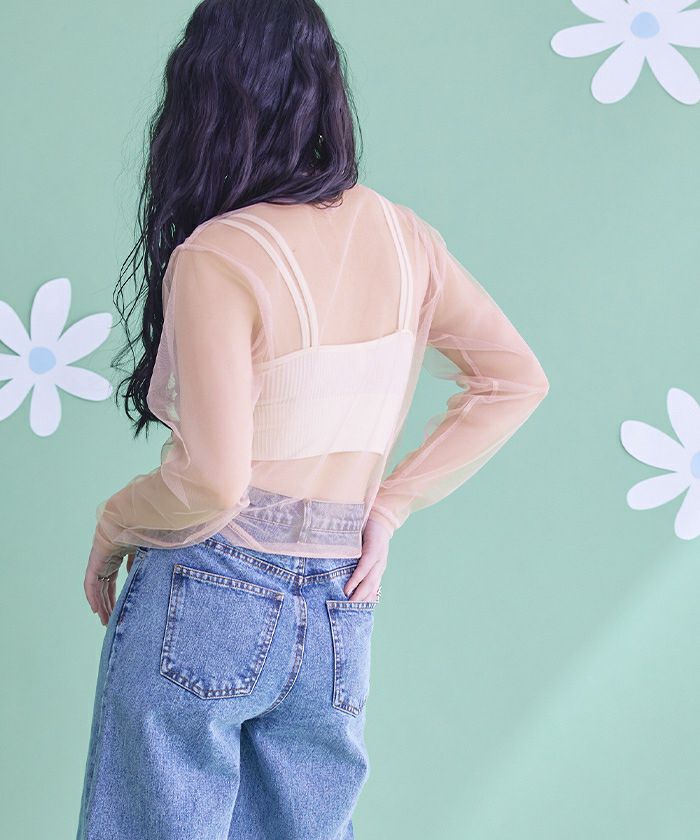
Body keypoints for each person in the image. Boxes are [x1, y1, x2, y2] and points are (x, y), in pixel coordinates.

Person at [76, 1, 550, 837]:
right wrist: (388, 508)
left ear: (204, 98)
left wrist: (114, 524)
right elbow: (515, 380)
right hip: (338, 600)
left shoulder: (220, 253)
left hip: (207, 584)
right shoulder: (407, 240)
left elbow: (213, 484)